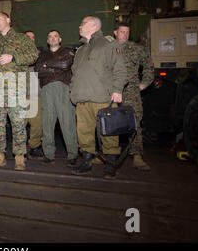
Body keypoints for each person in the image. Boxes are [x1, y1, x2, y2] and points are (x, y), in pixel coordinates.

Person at [0, 12, 38, 171]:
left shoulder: (22, 38)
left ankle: (19, 155)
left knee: (18, 123)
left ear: (8, 20)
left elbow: (33, 55)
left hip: (15, 87)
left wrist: (13, 57)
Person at [70, 16, 127, 179]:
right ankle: (87, 161)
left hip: (103, 97)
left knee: (109, 132)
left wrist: (117, 90)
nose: (80, 26)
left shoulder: (108, 43)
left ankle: (110, 164)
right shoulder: (80, 50)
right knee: (84, 133)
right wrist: (73, 91)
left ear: (93, 26)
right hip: (82, 98)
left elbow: (120, 70)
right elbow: (75, 74)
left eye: (83, 23)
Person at [35, 30, 78, 167]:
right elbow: (39, 70)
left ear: (60, 39)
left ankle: (72, 154)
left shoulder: (68, 51)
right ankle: (48, 155)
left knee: (67, 122)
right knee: (47, 123)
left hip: (63, 88)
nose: (52, 39)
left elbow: (66, 65)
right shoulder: (42, 54)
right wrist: (55, 67)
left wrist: (47, 65)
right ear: (47, 41)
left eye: (55, 36)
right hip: (47, 89)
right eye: (50, 37)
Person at [114, 22, 153, 170]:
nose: (125, 34)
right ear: (115, 32)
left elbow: (149, 66)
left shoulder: (137, 49)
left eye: (127, 32)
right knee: (110, 122)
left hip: (131, 92)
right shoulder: (109, 48)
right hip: (111, 93)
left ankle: (137, 156)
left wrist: (144, 84)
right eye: (122, 32)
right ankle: (110, 153)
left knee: (134, 123)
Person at [24, 30, 43, 159]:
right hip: (21, 94)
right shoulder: (15, 55)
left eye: (33, 37)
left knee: (37, 124)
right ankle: (20, 148)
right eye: (28, 37)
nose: (30, 39)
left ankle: (35, 146)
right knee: (20, 123)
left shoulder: (40, 55)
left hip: (36, 93)